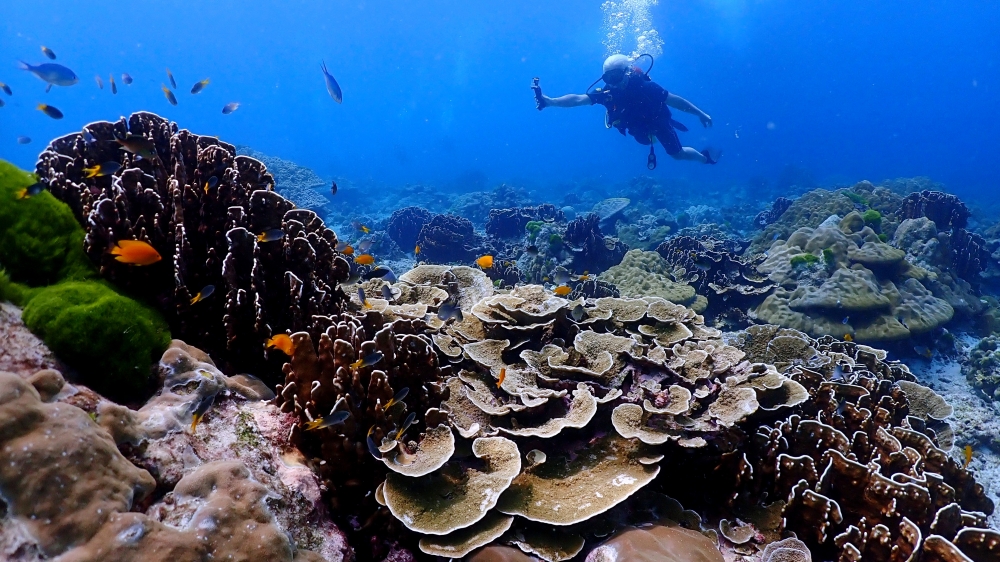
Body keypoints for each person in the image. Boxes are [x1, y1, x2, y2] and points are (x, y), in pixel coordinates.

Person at [532, 54, 718, 168]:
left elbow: (675, 101)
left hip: (658, 122)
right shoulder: (607, 92)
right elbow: (579, 99)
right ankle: (653, 138)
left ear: (627, 72)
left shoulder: (647, 87)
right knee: (645, 141)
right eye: (608, 78)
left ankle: (705, 158)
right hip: (637, 128)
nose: (613, 82)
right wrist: (550, 101)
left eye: (616, 76)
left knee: (677, 155)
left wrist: (700, 114)